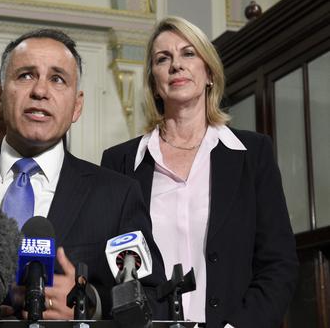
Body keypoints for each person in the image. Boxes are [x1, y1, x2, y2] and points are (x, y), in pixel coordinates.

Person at [0, 28, 166, 320]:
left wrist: (90, 303)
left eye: (57, 79)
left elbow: (153, 297)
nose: (40, 91)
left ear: (77, 106)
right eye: (26, 75)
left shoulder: (117, 194)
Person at [101, 16, 298, 327]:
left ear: (209, 72)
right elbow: (111, 268)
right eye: (162, 59)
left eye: (188, 53)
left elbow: (279, 265)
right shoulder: (121, 162)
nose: (176, 65)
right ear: (154, 82)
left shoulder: (253, 154)